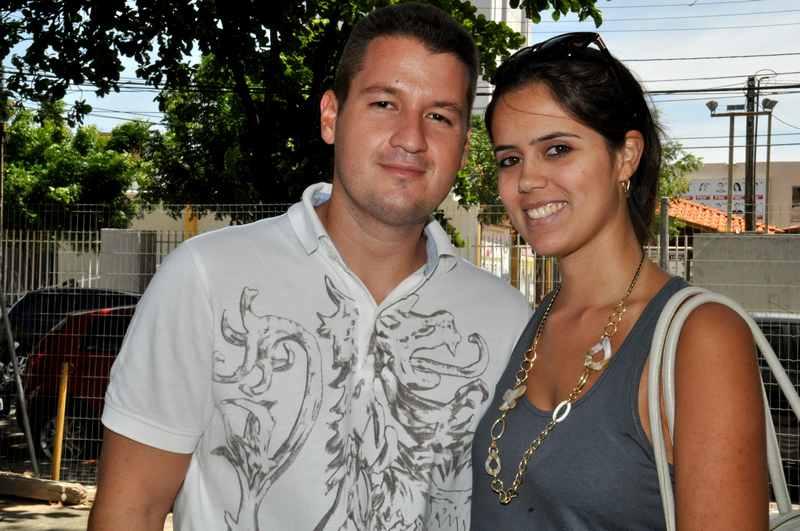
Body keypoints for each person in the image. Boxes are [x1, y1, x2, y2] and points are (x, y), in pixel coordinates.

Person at [88, 3, 532, 531]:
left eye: (439, 116)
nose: (411, 138)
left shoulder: (508, 321)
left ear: (463, 145)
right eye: (384, 103)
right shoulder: (206, 278)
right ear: (330, 116)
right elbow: (130, 509)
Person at [470, 32, 768, 530]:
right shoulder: (535, 322)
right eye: (509, 159)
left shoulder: (700, 339)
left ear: (626, 155)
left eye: (557, 149)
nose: (527, 180)